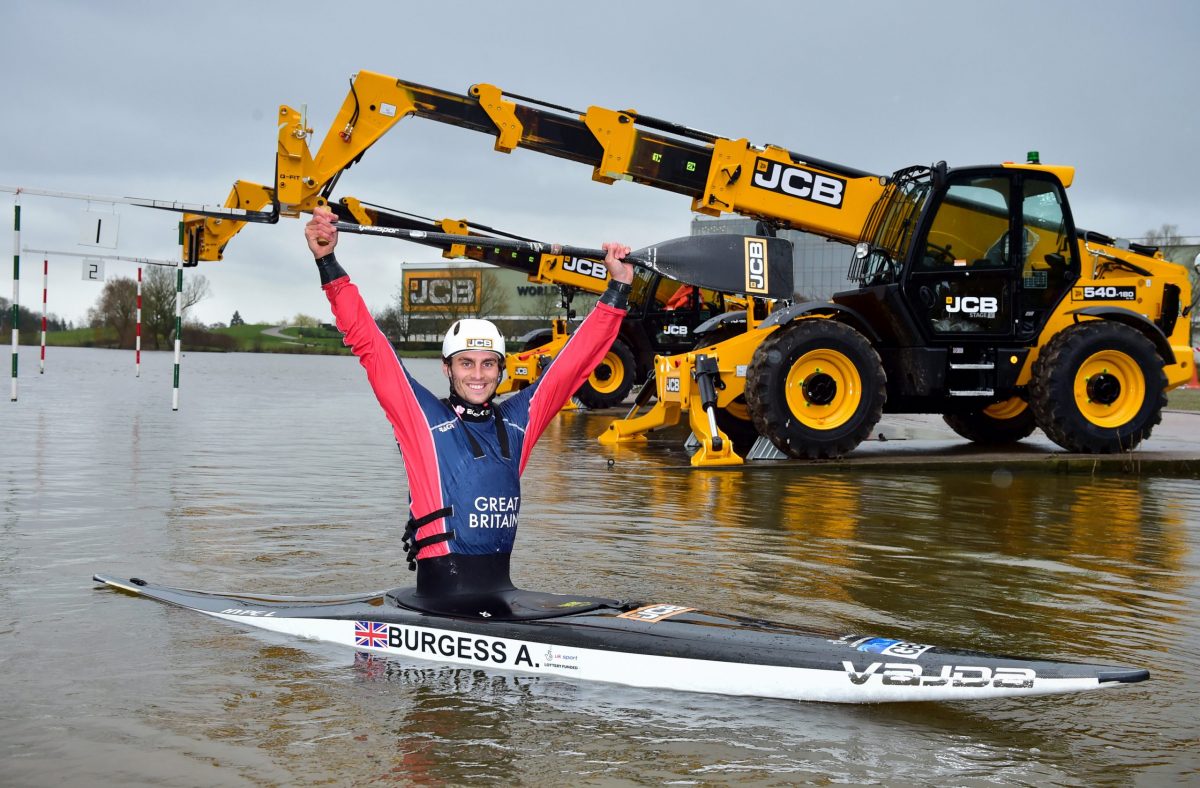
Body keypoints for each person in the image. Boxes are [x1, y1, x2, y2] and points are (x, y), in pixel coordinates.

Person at [304, 206, 632, 606]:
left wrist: (617, 291)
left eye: (488, 363)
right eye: (466, 363)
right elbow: (371, 345)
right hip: (440, 599)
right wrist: (328, 262)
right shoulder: (421, 418)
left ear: (500, 369)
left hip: (501, 595)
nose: (478, 375)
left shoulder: (518, 422)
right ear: (448, 368)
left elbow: (573, 365)